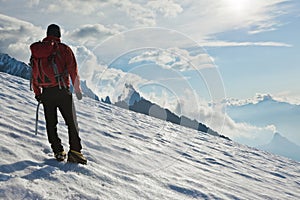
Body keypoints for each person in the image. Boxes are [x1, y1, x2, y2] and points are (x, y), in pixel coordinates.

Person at [30, 24, 87, 164]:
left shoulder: (37, 51)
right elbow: (73, 70)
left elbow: (34, 73)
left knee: (51, 124)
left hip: (46, 93)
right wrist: (78, 90)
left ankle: (58, 151)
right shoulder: (63, 49)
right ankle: (75, 152)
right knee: (71, 122)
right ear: (59, 34)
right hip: (62, 91)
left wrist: (38, 93)